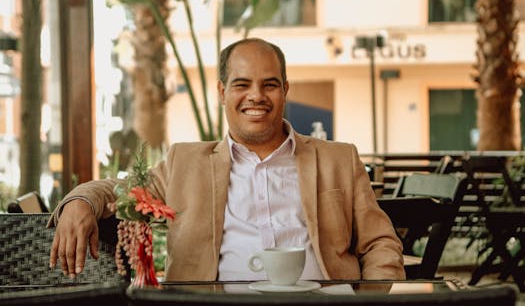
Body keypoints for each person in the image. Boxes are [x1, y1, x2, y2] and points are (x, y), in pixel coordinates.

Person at [49, 37, 405, 281]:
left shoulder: (338, 160)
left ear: (285, 90)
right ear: (222, 92)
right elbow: (118, 190)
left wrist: (373, 298)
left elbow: (380, 243)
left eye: (269, 84)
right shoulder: (184, 163)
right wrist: (80, 201)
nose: (256, 96)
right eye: (241, 84)